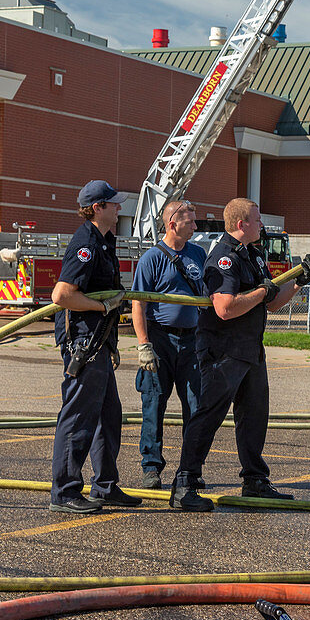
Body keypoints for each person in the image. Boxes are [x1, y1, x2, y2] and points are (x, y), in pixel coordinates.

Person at [169, 197, 310, 511]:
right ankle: (185, 484)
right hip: (223, 351)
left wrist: (298, 282)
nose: (262, 225)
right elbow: (224, 308)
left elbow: (270, 303)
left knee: (254, 417)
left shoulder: (252, 254)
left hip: (249, 349)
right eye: (257, 220)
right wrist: (263, 291)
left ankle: (255, 481)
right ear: (242, 224)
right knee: (208, 416)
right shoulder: (224, 257)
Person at [49, 180, 142, 514]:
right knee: (78, 417)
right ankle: (64, 491)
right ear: (98, 208)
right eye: (113, 204)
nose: (119, 209)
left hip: (98, 341)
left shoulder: (104, 241)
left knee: (108, 415)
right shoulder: (86, 244)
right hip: (83, 343)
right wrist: (103, 307)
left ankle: (105, 485)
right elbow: (62, 295)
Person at [131, 199, 206, 489]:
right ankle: (151, 468)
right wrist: (143, 344)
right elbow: (138, 304)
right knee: (153, 404)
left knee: (196, 407)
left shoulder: (198, 254)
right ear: (172, 223)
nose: (195, 226)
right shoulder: (152, 258)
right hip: (160, 339)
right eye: (190, 221)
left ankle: (190, 470)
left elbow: (209, 296)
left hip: (192, 341)